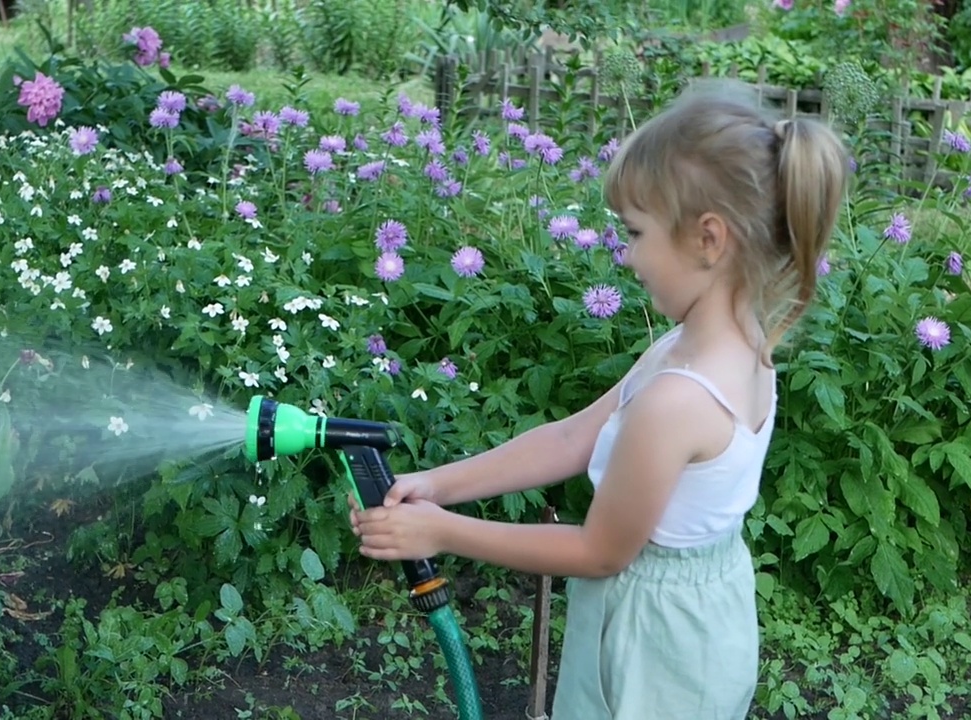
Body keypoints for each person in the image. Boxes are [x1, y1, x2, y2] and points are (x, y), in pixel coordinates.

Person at [348, 81, 849, 719]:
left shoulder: (679, 400)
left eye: (636, 232)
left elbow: (599, 551)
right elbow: (570, 437)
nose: (627, 254)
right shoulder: (712, 346)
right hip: (697, 613)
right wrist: (436, 486)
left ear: (709, 239)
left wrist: (442, 532)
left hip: (657, 645)